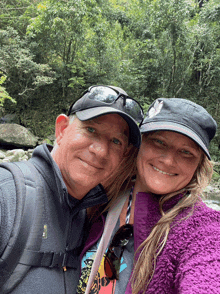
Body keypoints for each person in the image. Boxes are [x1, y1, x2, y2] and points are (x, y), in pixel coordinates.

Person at [0, 85, 144, 293]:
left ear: (123, 155)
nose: (100, 151)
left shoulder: (91, 215)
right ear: (62, 129)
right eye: (91, 130)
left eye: (115, 141)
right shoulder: (8, 195)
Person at [79, 98, 220, 294]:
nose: (169, 160)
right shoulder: (101, 195)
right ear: (139, 144)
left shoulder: (202, 228)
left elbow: (207, 277)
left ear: (198, 165)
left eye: (186, 152)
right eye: (159, 142)